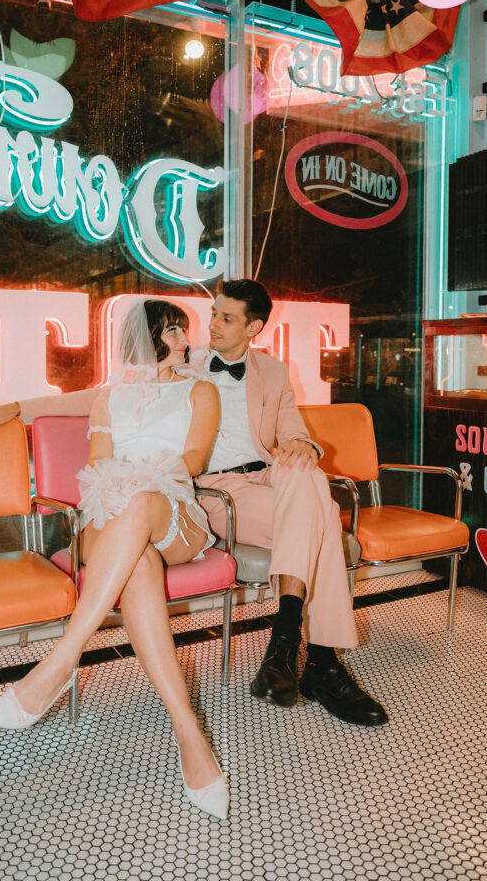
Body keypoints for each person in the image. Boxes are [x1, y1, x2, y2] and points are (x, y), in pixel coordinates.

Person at [0, 299, 229, 820]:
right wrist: (120, 490)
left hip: (173, 508)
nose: (186, 335)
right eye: (176, 328)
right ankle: (187, 732)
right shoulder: (109, 397)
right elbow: (97, 465)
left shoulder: (201, 390)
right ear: (159, 336)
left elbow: (196, 459)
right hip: (110, 513)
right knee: (135, 561)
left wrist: (143, 482)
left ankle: (62, 659)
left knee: (141, 505)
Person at [194, 279, 388, 726]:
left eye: (227, 317)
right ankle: (319, 662)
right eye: (214, 314)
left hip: (268, 476)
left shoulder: (274, 371)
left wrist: (305, 447)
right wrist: (15, 409)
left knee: (307, 472)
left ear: (254, 327)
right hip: (219, 493)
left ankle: (286, 646)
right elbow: (106, 400)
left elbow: (294, 432)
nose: (214, 324)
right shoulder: (186, 366)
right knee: (322, 528)